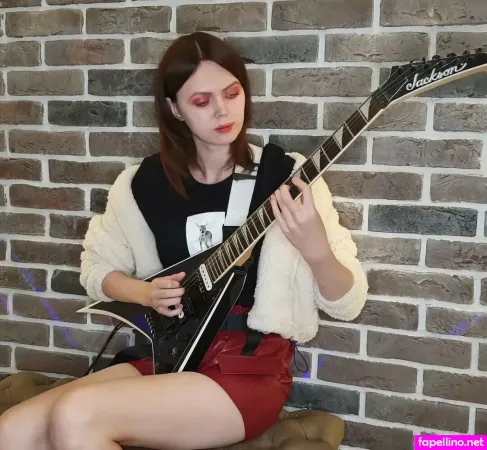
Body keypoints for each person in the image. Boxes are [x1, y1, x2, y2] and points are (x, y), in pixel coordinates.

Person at [0, 31, 368, 450]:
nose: (222, 109)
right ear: (175, 108)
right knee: (12, 429)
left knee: (77, 413)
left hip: (248, 370)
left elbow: (348, 301)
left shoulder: (287, 176)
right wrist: (145, 293)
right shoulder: (141, 185)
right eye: (201, 101)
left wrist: (315, 248)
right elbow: (95, 270)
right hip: (169, 357)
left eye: (232, 93)